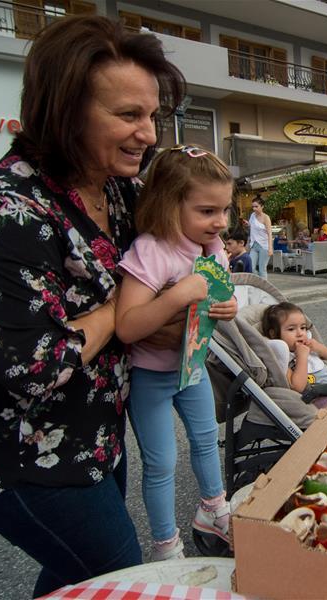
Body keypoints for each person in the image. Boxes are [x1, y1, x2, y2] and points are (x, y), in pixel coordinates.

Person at [0, 16, 185, 595]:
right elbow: (32, 369)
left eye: (152, 115)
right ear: (66, 112)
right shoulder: (6, 206)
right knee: (120, 579)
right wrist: (124, 311)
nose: (148, 134)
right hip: (17, 453)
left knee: (70, 579)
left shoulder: (119, 189)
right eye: (128, 115)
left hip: (93, 437)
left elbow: (162, 273)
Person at [115, 146, 237, 561]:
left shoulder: (213, 248)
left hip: (193, 366)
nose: (219, 222)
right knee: (161, 462)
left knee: (206, 440)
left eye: (225, 210)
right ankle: (166, 546)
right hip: (151, 374)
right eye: (206, 211)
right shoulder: (153, 251)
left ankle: (214, 510)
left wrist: (228, 306)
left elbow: (218, 297)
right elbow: (127, 325)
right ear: (170, 205)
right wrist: (177, 296)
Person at [247, 195, 272, 278]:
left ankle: (264, 289)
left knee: (262, 269)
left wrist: (270, 248)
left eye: (256, 206)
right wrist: (247, 224)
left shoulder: (266, 217)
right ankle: (259, 282)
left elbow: (269, 233)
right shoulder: (252, 215)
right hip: (254, 245)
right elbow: (252, 226)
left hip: (264, 246)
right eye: (253, 206)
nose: (254, 208)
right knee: (251, 267)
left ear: (262, 206)